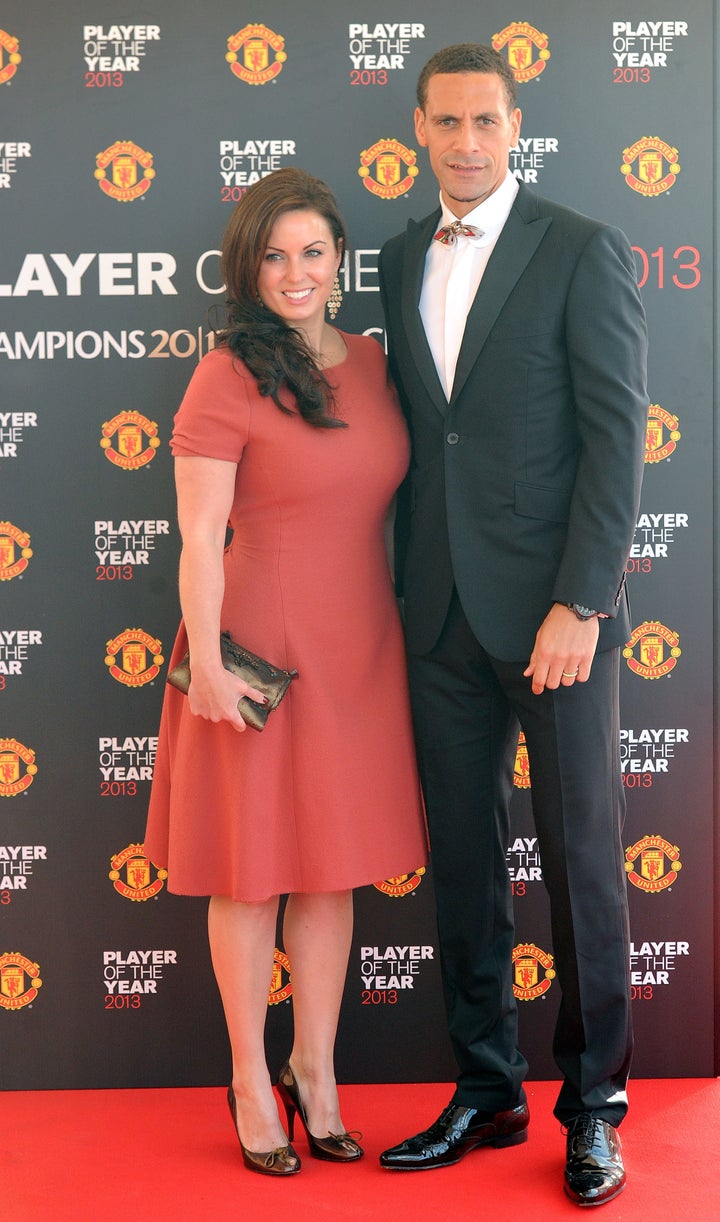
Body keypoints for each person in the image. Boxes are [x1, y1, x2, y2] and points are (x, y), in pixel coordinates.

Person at [377, 44, 647, 1207]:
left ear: (515, 121)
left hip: (556, 621)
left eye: (486, 119)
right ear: (419, 128)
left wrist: (582, 600)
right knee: (467, 868)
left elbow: (616, 435)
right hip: (438, 614)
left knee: (584, 862)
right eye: (446, 121)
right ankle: (487, 1086)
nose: (467, 141)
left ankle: (595, 1106)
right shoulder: (394, 256)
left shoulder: (583, 248)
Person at [144, 167, 428, 1178]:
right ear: (247, 265)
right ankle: (250, 1078)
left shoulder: (374, 363)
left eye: (313, 252)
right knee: (250, 870)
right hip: (255, 650)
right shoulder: (225, 371)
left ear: (340, 259)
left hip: (360, 650)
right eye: (275, 254)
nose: (295, 272)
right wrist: (209, 659)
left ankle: (316, 1068)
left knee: (331, 867)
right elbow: (198, 531)